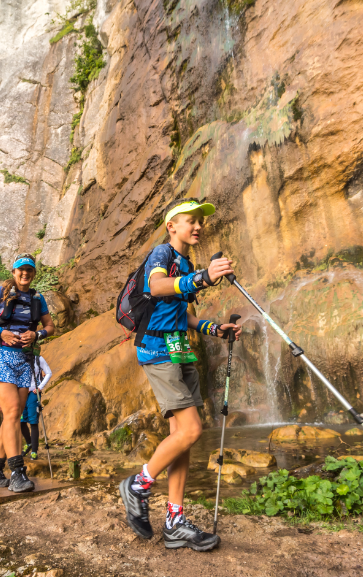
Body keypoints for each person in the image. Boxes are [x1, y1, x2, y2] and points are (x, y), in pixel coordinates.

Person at [117, 197, 242, 552]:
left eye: (201, 221)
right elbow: (156, 288)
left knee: (181, 439)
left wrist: (214, 328)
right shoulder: (163, 254)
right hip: (157, 349)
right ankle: (139, 485)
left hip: (179, 347)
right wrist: (202, 278)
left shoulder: (185, 262)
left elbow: (182, 314)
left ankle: (174, 521)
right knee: (191, 430)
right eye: (191, 220)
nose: (198, 226)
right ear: (172, 226)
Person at [0, 253, 54, 493]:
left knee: (11, 417)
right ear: (14, 272)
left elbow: (50, 326)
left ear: (33, 273)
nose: (25, 273)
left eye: (29, 270)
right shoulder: (0, 293)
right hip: (0, 356)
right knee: (14, 411)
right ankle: (17, 472)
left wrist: (37, 335)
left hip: (24, 360)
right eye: (20, 270)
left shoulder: (38, 298)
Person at [20, 354, 53, 460]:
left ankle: (34, 451)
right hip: (21, 391)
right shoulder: (18, 356)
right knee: (21, 421)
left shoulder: (38, 358)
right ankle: (29, 443)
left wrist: (40, 387)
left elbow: (48, 373)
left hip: (34, 393)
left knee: (33, 421)